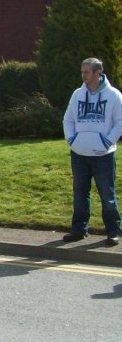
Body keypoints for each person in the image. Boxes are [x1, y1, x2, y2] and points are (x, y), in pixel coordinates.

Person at [62, 57, 122, 246]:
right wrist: (72, 140)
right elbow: (68, 119)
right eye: (82, 72)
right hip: (79, 153)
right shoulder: (77, 94)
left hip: (103, 155)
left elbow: (120, 122)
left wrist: (106, 141)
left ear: (98, 73)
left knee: (107, 195)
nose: (83, 75)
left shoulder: (113, 95)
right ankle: (79, 230)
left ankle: (113, 231)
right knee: (80, 193)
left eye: (86, 72)